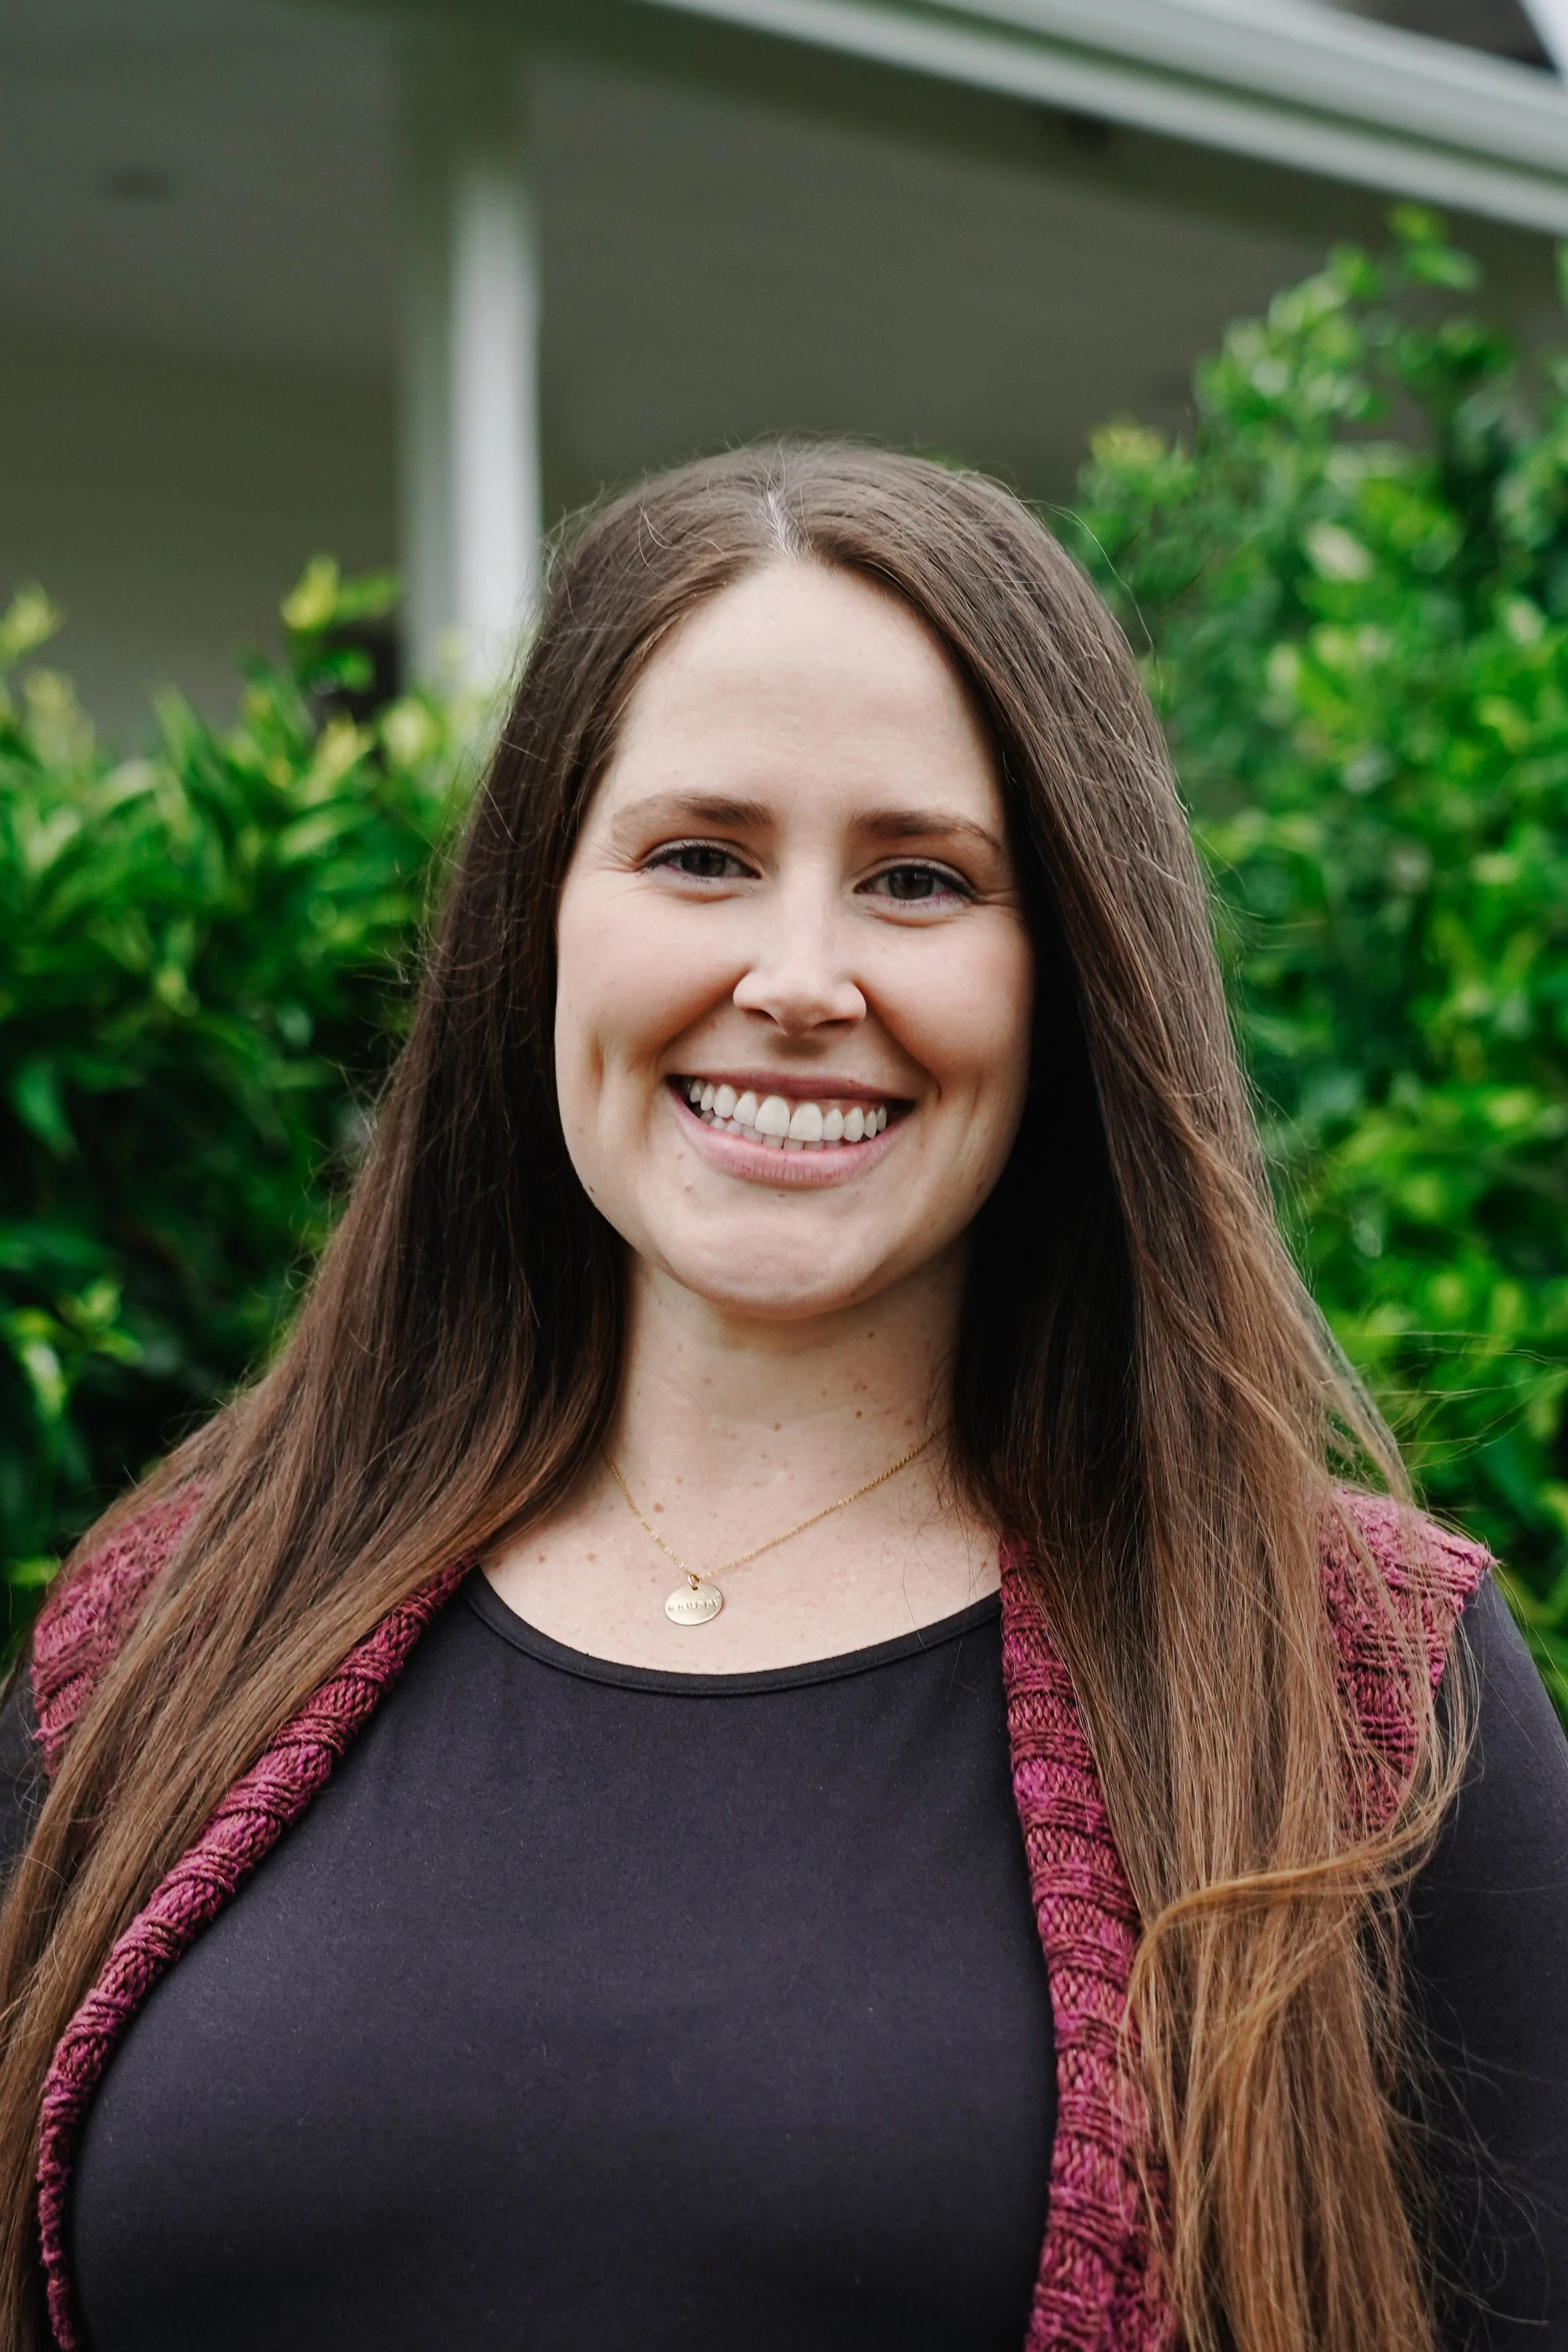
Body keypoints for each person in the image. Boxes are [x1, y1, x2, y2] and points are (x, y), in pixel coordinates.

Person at [0, 444, 1562, 2352]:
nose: (799, 977)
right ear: (536, 919)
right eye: (700, 856)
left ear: (1067, 971)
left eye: (918, 879)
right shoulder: (163, 1638)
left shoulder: (1356, 1691)